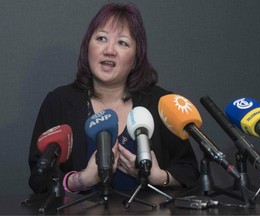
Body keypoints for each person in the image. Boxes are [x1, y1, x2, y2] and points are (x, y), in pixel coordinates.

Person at [28, 2, 200, 194]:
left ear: (136, 59)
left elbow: (190, 172)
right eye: (101, 38)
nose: (109, 50)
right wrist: (82, 179)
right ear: (87, 48)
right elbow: (38, 178)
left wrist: (159, 176)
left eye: (122, 42)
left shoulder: (161, 103)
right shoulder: (59, 102)